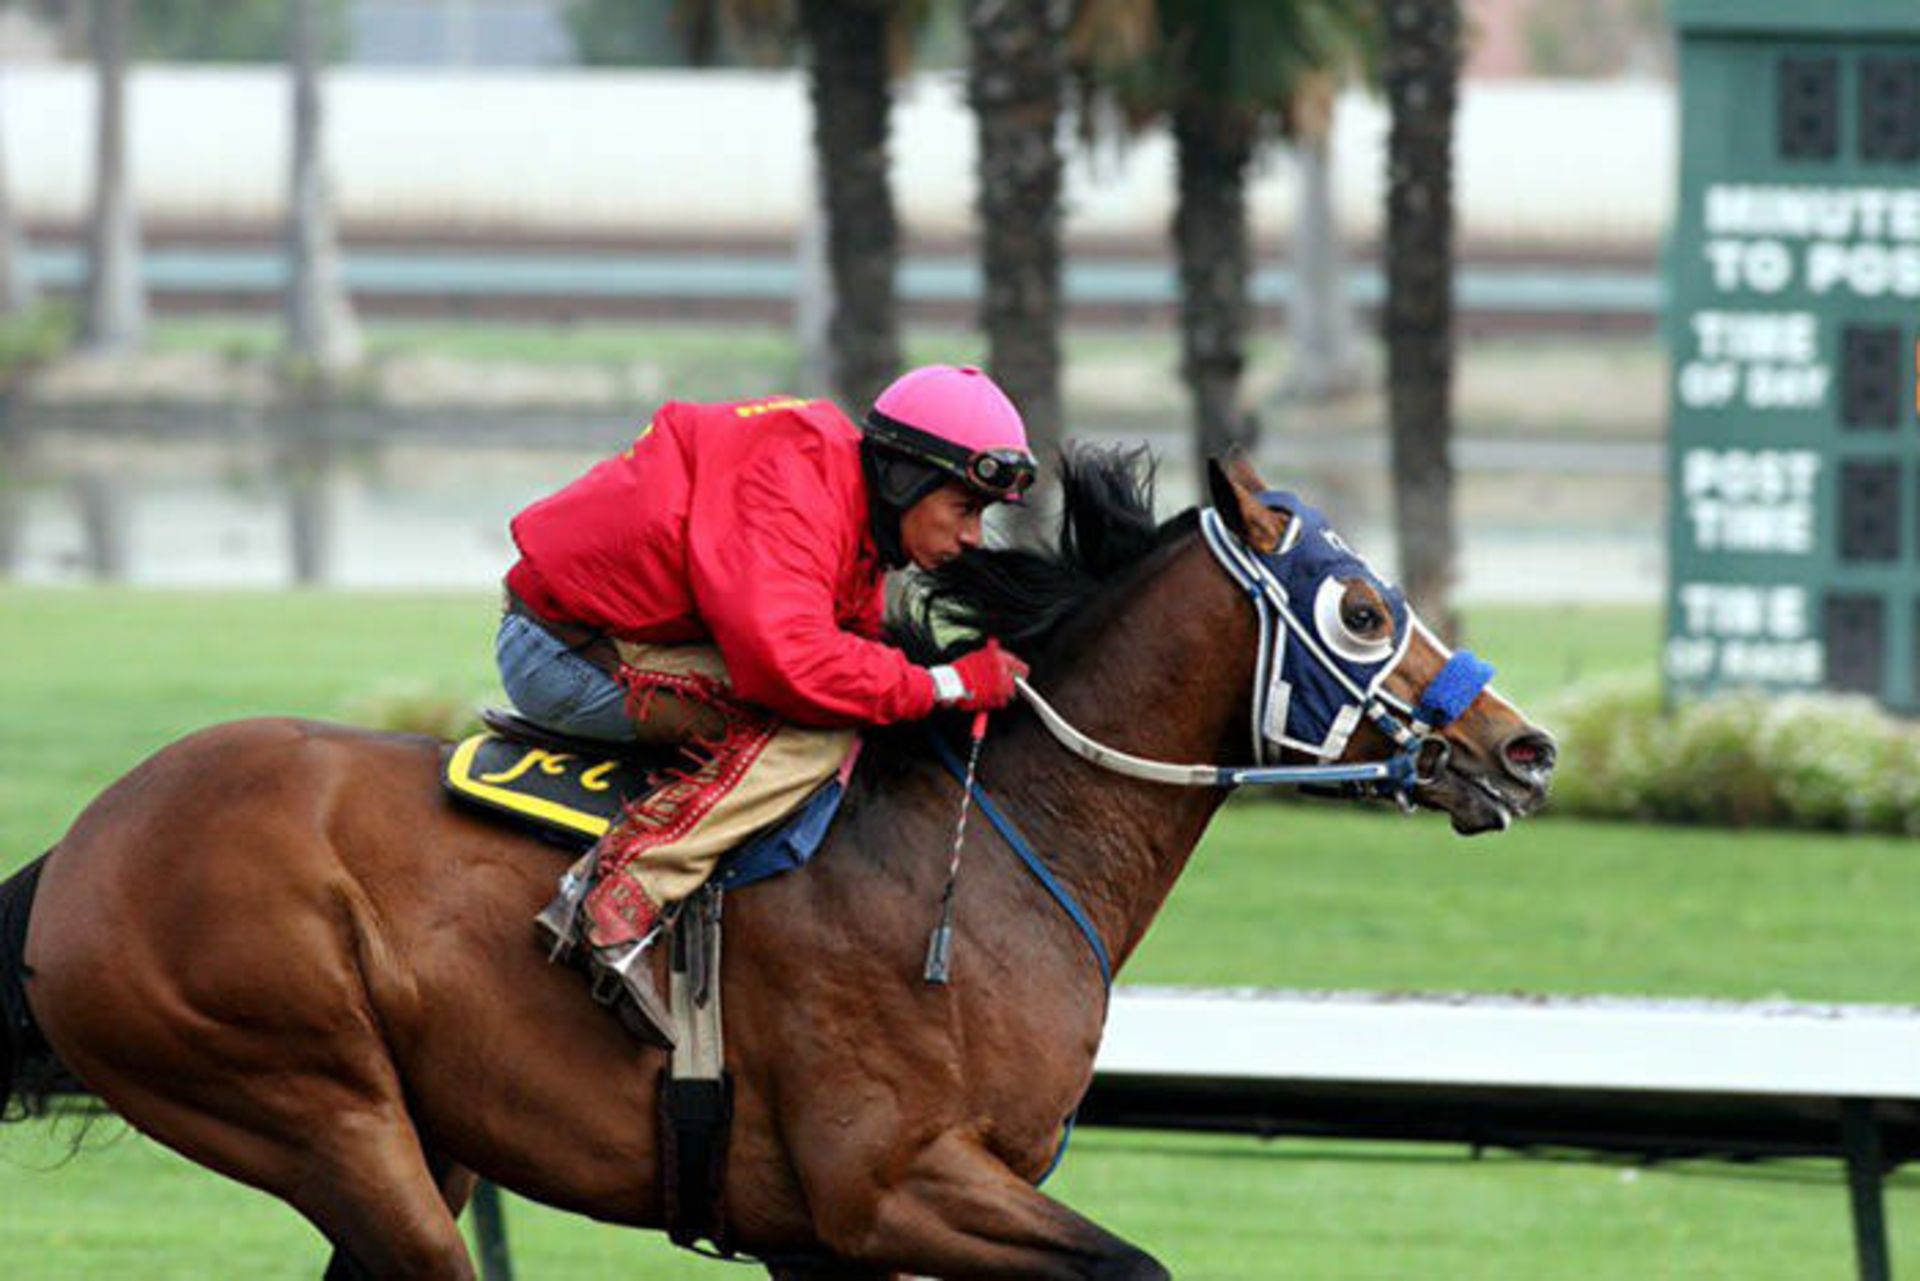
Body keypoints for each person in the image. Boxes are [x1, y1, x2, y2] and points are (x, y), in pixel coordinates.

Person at [496, 365, 1034, 1047]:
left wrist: (925, 684)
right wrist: (949, 684)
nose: (975, 537)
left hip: (609, 631)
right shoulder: (794, 488)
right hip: (564, 654)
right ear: (906, 479)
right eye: (965, 508)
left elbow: (849, 644)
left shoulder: (841, 494)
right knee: (820, 729)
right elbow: (793, 664)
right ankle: (621, 895)